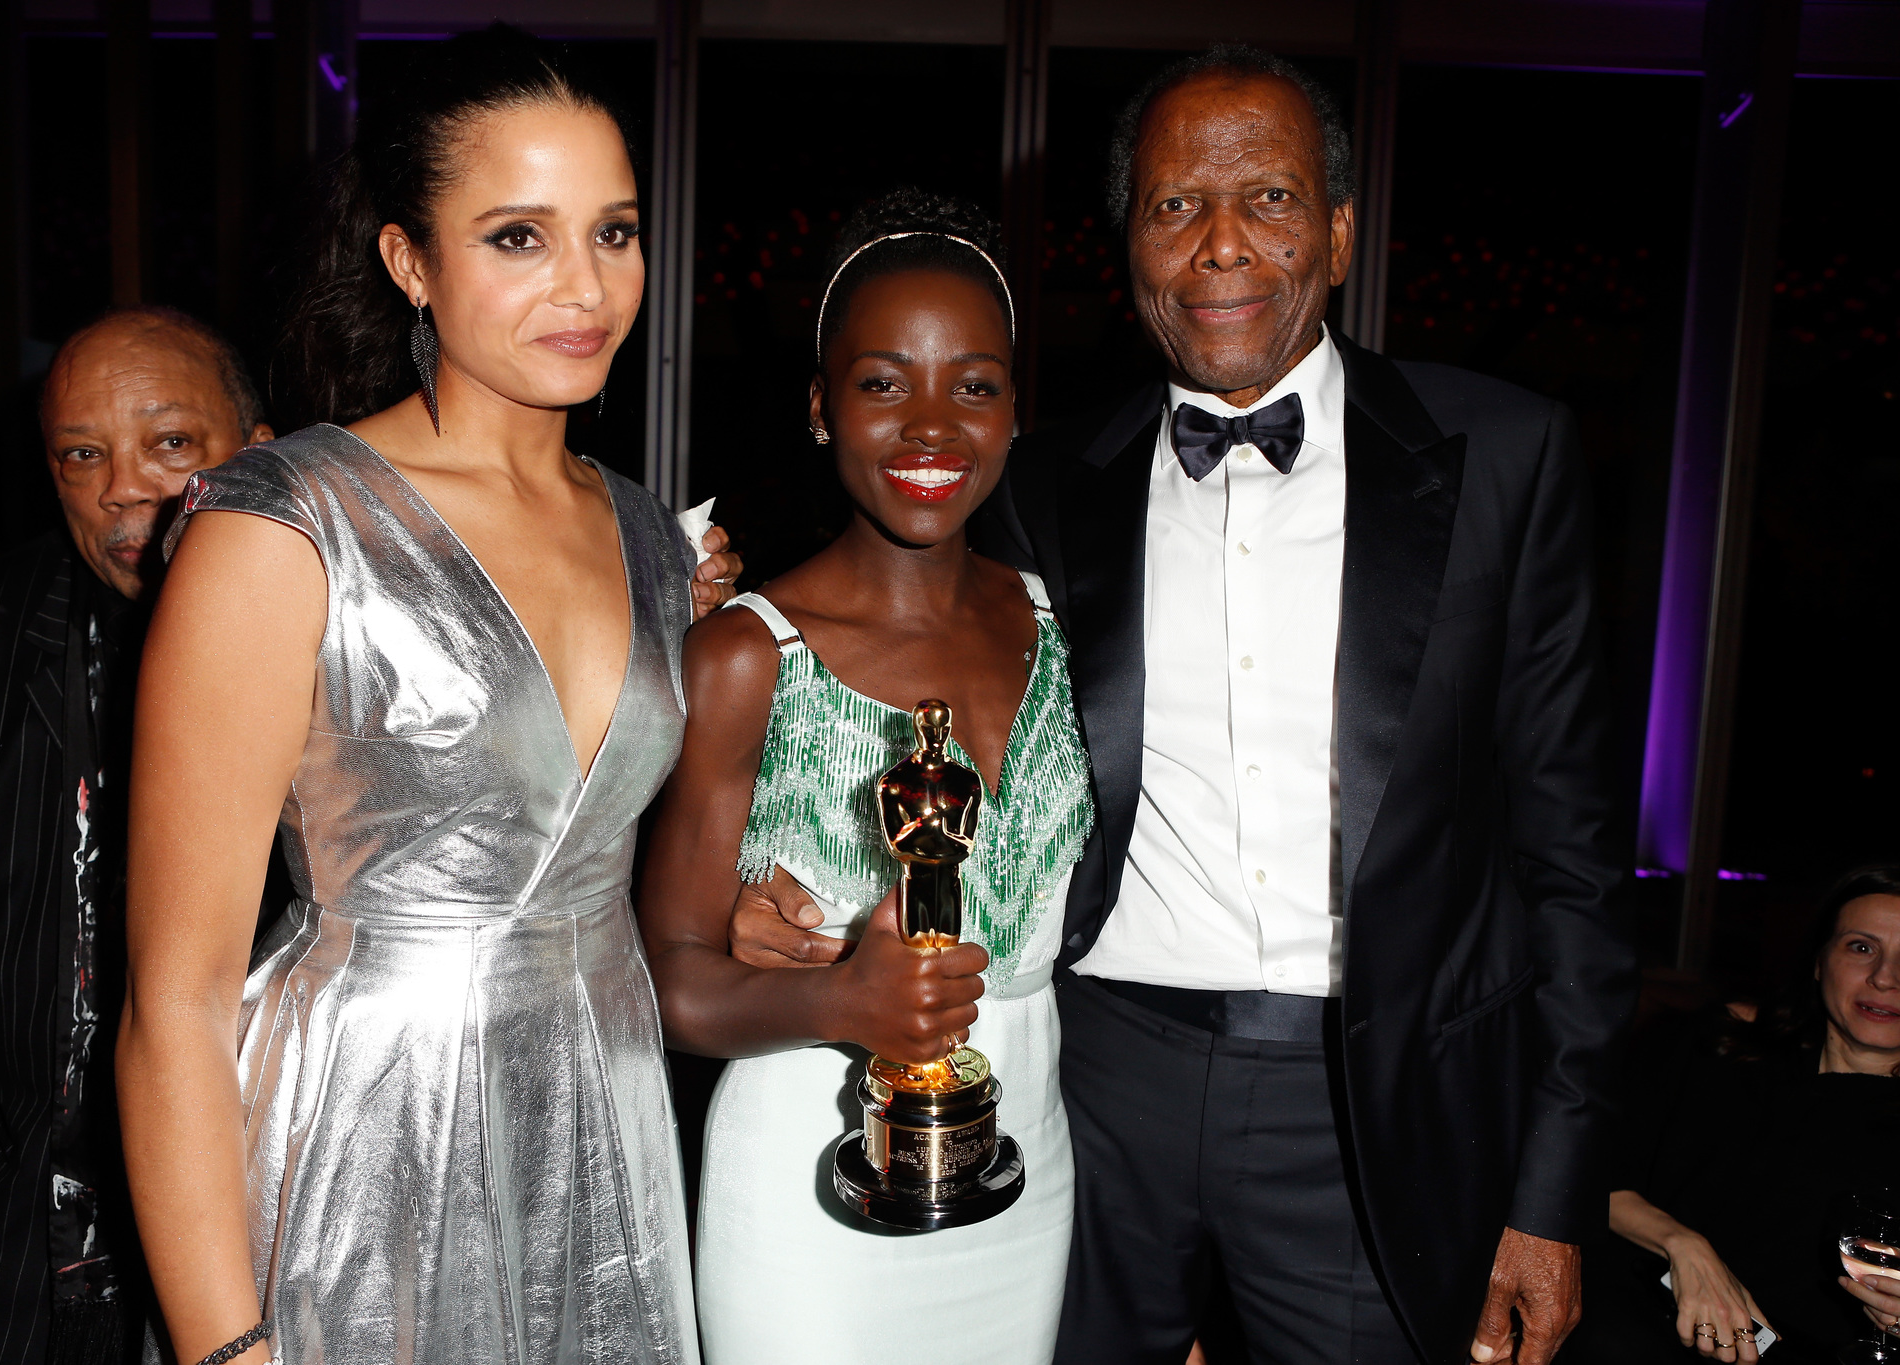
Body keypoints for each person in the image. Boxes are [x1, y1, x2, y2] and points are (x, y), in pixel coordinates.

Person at [735, 44, 1634, 1365]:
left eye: (1265, 198)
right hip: (1093, 1077)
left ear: (1334, 230)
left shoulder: (1504, 455)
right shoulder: (1046, 480)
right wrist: (778, 886)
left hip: (1366, 1095)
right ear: (1131, 247)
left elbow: (1575, 864)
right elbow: (895, 656)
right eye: (1174, 207)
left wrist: (1553, 1197)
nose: (1220, 244)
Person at [116, 28, 735, 1365]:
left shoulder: (648, 535)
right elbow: (173, 1003)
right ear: (411, 260)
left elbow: (613, 849)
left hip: (603, 1129)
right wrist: (225, 1346)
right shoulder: (284, 530)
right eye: (520, 237)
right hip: (365, 1139)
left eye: (614, 232)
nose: (585, 286)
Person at [637, 189, 1093, 1365]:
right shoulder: (743, 654)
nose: (931, 427)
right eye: (884, 383)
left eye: (973, 385)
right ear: (819, 408)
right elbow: (666, 980)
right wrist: (838, 1000)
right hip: (804, 1187)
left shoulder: (1070, 628)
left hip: (1025, 1170)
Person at [0, 305, 275, 1364]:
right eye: (80, 454)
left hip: (285, 1190)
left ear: (259, 455)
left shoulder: (350, 634)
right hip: (30, 1221)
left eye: (169, 444)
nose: (122, 487)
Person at [1565, 868, 1900, 1364]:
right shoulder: (1721, 1048)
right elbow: (1582, 1171)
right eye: (1861, 947)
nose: (1885, 978)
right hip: (1634, 1320)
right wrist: (1683, 1245)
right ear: (1818, 960)